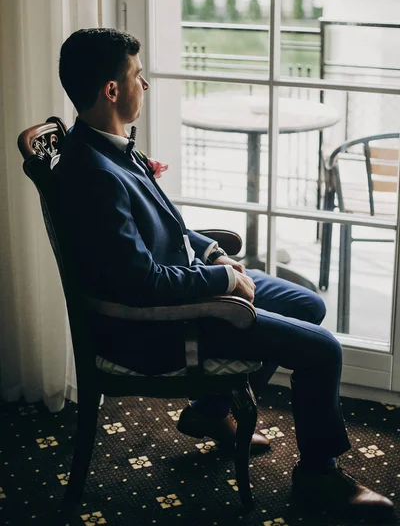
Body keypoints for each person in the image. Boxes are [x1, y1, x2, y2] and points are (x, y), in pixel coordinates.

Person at [56, 28, 393, 522]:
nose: (144, 86)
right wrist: (223, 283)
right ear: (112, 90)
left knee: (308, 305)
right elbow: (141, 285)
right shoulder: (95, 175)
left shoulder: (108, 146)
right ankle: (318, 478)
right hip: (157, 326)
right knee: (323, 348)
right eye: (138, 76)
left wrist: (213, 253)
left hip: (186, 284)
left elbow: (166, 227)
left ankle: (211, 410)